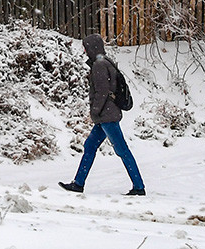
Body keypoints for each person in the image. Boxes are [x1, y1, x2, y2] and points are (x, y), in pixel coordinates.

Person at [59, 33, 145, 196]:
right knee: (89, 146)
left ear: (91, 47)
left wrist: (95, 111)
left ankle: (139, 187)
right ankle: (78, 183)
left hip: (107, 116)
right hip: (106, 116)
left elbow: (102, 91)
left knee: (122, 150)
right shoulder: (106, 61)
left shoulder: (99, 65)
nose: (84, 50)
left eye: (85, 47)